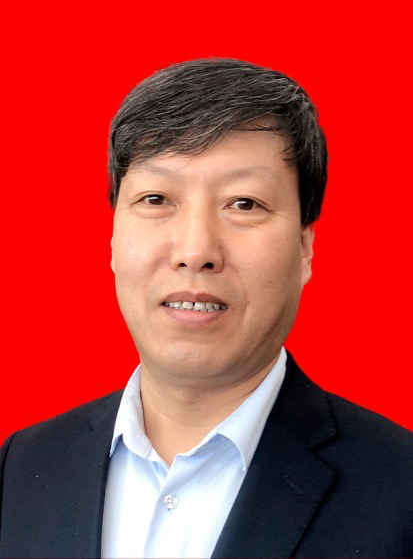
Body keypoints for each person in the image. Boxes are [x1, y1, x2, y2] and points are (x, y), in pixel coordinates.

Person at [1, 58, 412, 559]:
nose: (195, 251)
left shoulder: (400, 490)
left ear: (305, 247)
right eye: (156, 199)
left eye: (244, 203)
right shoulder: (20, 468)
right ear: (111, 238)